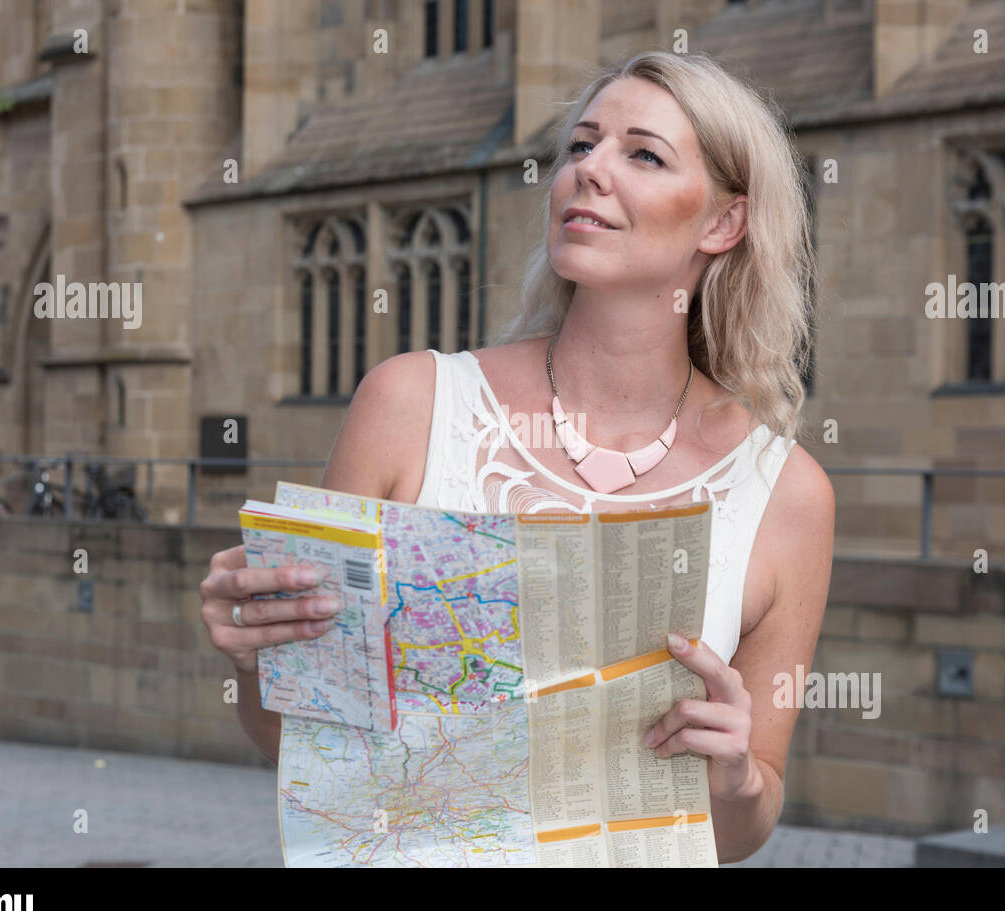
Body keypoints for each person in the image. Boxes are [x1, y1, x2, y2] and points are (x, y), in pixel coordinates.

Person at [199, 51, 834, 865]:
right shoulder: (411, 405)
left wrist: (738, 774)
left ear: (723, 223)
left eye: (642, 154)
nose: (590, 170)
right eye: (580, 146)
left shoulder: (786, 493)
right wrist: (259, 658)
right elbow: (294, 742)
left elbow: (743, 829)